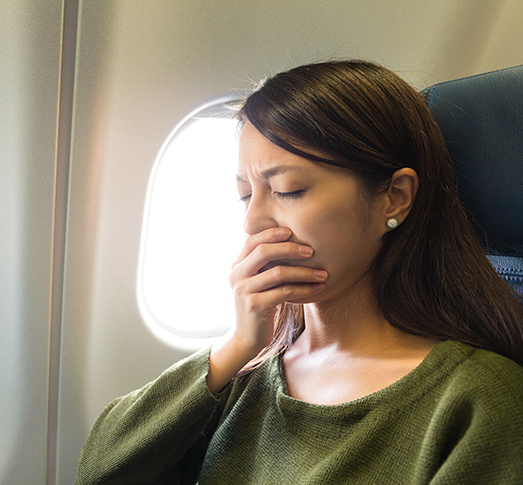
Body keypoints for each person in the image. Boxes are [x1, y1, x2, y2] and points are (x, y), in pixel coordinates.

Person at [75, 60, 523, 484]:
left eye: (288, 190)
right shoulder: (242, 376)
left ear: (395, 198)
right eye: (245, 194)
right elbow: (101, 472)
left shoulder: (477, 400)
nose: (253, 223)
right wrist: (236, 346)